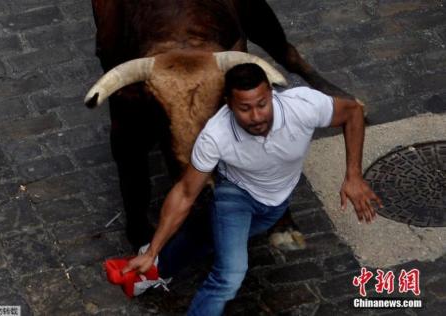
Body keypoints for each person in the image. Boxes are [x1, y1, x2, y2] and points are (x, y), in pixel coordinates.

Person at [121, 63, 382, 315]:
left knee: (208, 236)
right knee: (230, 276)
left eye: (262, 104)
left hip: (275, 203)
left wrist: (354, 175)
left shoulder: (302, 106)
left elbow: (353, 113)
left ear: (271, 94)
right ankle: (155, 259)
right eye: (245, 108)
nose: (257, 117)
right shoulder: (216, 135)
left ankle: (156, 265)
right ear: (228, 104)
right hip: (236, 196)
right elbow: (186, 193)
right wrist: (155, 246)